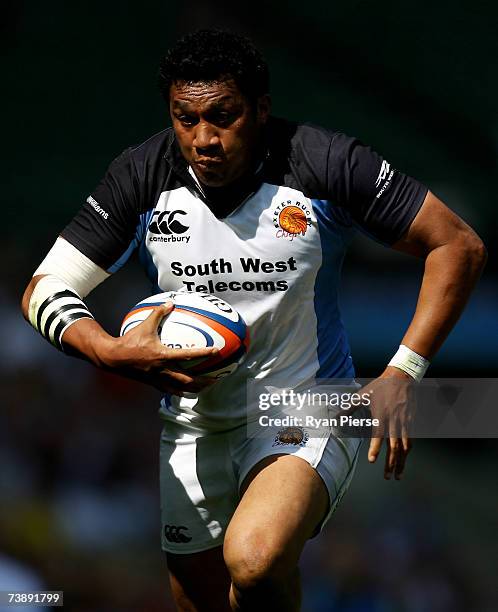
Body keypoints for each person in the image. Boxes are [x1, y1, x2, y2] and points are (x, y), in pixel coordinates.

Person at [21, 29, 486, 612]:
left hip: (306, 404)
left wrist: (402, 372)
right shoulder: (141, 175)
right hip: (192, 425)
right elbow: (46, 286)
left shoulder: (325, 161)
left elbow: (457, 245)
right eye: (184, 119)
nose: (203, 139)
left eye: (223, 116)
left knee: (255, 559)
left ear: (261, 110)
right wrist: (106, 350)